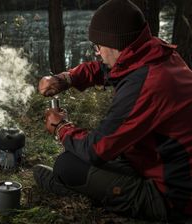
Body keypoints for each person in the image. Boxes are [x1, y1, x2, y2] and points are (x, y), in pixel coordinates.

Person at [34, 0, 192, 222]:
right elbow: (108, 69)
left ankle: (80, 191)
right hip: (156, 163)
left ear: (116, 44)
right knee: (77, 159)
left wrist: (61, 127)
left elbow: (97, 150)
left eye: (98, 46)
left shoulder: (147, 83)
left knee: (67, 165)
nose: (96, 52)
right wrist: (66, 78)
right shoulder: (155, 53)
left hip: (174, 197)